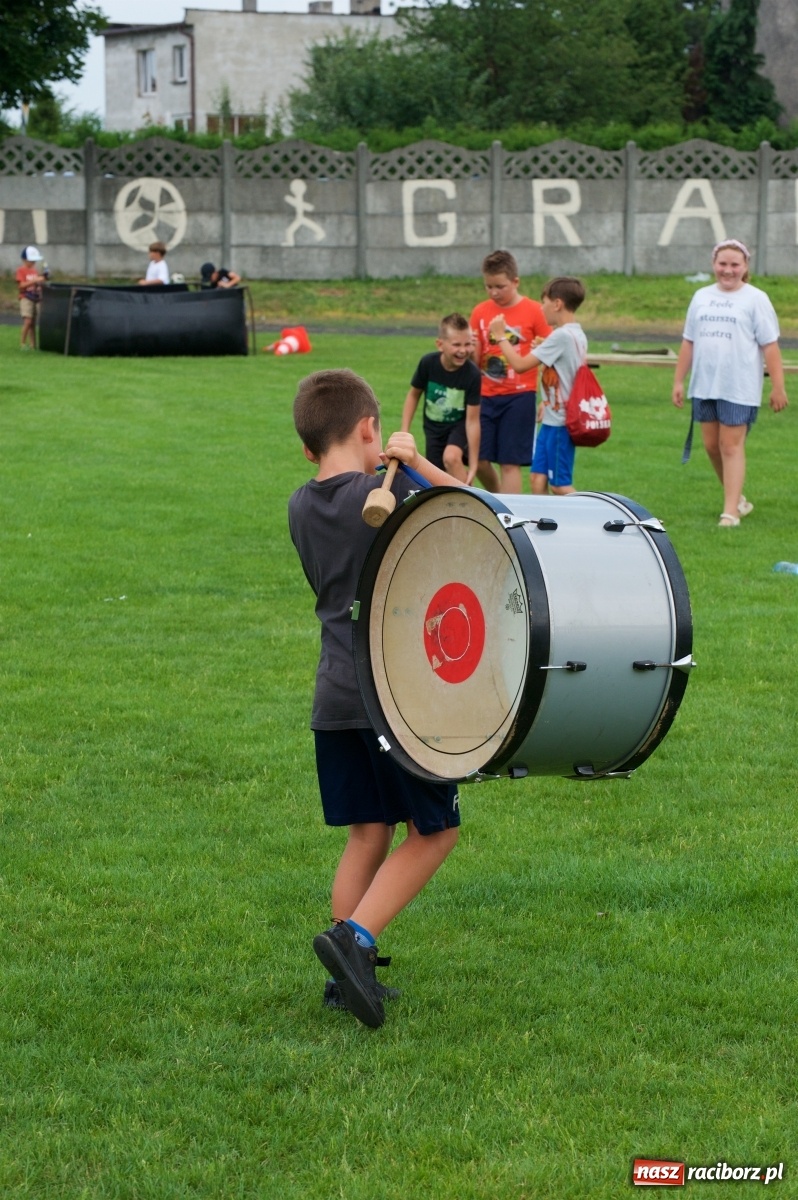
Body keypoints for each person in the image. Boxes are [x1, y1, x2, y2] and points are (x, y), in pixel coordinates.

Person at [288, 369, 465, 1029]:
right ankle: (353, 941)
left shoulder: (300, 504)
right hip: (394, 699)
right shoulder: (384, 493)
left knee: (369, 831)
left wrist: (394, 470)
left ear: (308, 449)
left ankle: (344, 980)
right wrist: (416, 461)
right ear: (370, 430)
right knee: (435, 831)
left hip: (333, 693)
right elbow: (480, 508)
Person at [672, 238, 789, 527]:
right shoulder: (701, 296)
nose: (728, 270)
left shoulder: (755, 299)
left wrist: (778, 386)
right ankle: (737, 498)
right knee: (711, 445)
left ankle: (730, 513)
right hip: (705, 384)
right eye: (722, 264)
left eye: (734, 264)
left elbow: (770, 346)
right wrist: (678, 381)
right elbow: (689, 341)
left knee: (730, 446)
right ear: (714, 264)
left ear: (745, 266)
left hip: (739, 386)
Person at [489, 276, 588, 496]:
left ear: (557, 304)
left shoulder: (561, 336)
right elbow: (563, 368)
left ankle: (595, 515)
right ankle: (546, 527)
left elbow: (520, 365)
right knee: (536, 479)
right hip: (552, 419)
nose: (541, 307)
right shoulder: (574, 333)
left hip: (561, 422)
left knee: (560, 485)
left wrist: (500, 337)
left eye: (544, 302)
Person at [470, 249, 550, 493]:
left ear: (515, 282)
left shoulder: (535, 311)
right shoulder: (480, 312)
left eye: (500, 286)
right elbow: (476, 361)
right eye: (489, 286)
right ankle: (497, 500)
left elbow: (550, 356)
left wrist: (546, 399)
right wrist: (471, 348)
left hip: (520, 395)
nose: (494, 292)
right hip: (484, 396)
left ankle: (508, 519)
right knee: (479, 460)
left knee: (509, 463)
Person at [401, 313, 482, 484]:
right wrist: (404, 430)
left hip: (458, 426)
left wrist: (474, 464)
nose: (463, 350)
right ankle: (454, 505)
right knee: (434, 478)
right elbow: (413, 395)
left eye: (468, 344)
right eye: (456, 345)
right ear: (440, 344)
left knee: (451, 457)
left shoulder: (472, 374)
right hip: (433, 428)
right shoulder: (428, 364)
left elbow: (473, 421)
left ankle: (468, 501)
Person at [16, 246, 47, 349]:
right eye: (31, 260)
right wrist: (35, 281)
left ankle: (33, 344)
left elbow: (36, 283)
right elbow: (21, 286)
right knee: (28, 321)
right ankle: (22, 343)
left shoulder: (34, 271)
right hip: (26, 297)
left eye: (35, 261)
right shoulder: (21, 271)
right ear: (25, 260)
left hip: (35, 297)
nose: (33, 263)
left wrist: (40, 282)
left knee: (33, 323)